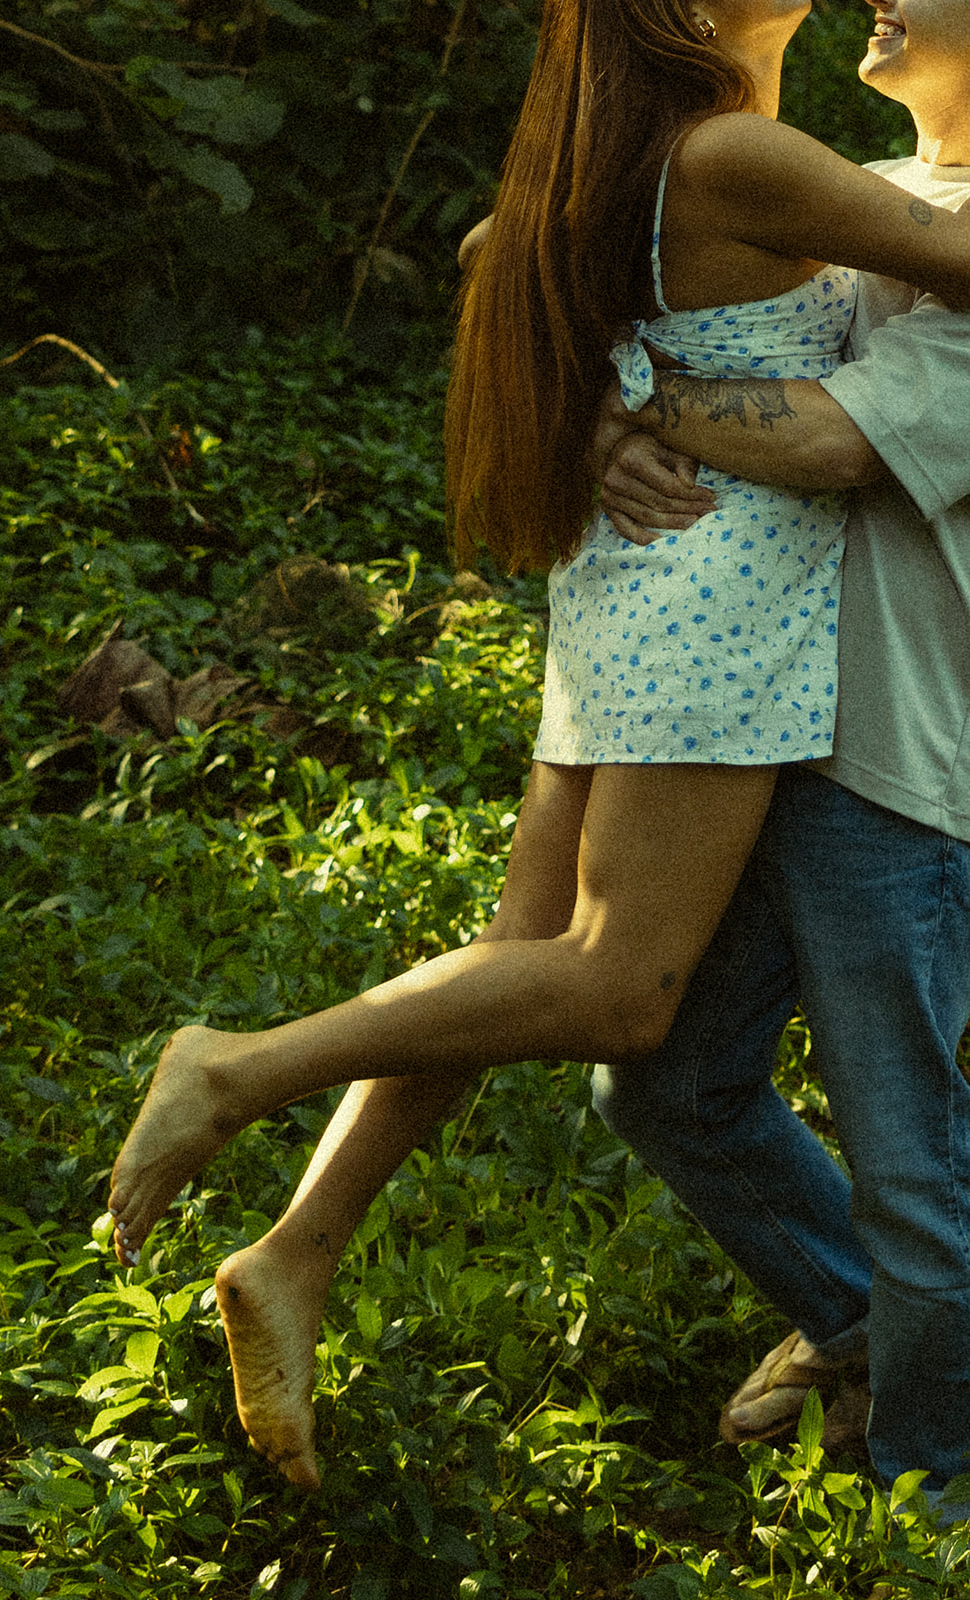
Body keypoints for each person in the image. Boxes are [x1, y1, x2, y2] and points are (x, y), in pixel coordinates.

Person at [107, 0, 970, 1491]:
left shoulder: (695, 150)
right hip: (721, 611)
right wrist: (605, 399)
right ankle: (240, 1069)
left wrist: (606, 393)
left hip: (719, 639)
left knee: (527, 964)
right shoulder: (755, 154)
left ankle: (299, 1252)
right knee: (618, 998)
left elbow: (511, 263)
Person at [588, 0, 970, 1512]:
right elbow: (552, 262)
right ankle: (873, 1330)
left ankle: (931, 1487)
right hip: (757, 733)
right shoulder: (868, 190)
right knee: (661, 1087)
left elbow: (817, 440)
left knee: (919, 1176)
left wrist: (612, 390)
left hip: (901, 768)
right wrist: (587, 419)